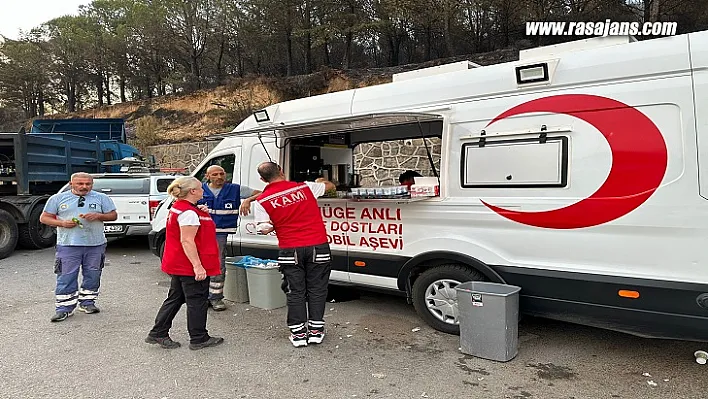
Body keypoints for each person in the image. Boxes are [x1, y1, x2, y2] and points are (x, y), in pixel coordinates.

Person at [252, 162, 336, 347]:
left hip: (290, 250)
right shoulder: (305, 187)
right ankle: (316, 331)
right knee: (317, 288)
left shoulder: (261, 201)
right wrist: (321, 180)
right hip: (318, 246)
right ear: (281, 170)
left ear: (262, 179)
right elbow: (330, 187)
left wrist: (277, 222)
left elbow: (263, 229)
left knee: (295, 291)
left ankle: (298, 334)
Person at [145, 176, 224, 350]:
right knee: (197, 300)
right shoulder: (189, 213)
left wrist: (200, 211)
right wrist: (198, 266)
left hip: (178, 263)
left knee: (176, 297)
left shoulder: (182, 208)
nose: (204, 190)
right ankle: (199, 338)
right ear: (193, 192)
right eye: (200, 188)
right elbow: (187, 241)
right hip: (188, 265)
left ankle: (158, 332)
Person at [39, 172, 118, 322]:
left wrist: (99, 216)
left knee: (93, 274)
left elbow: (113, 215)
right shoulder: (57, 199)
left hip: (95, 244)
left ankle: (87, 303)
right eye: (80, 184)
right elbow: (44, 218)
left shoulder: (101, 198)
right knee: (66, 276)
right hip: (68, 244)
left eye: (88, 184)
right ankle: (64, 308)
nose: (84, 187)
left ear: (92, 184)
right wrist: (62, 223)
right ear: (71, 184)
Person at [196, 165, 261, 311]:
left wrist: (248, 200)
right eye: (215, 175)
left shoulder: (235, 189)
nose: (219, 177)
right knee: (199, 264)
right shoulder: (199, 190)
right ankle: (201, 297)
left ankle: (216, 298)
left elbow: (263, 193)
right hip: (200, 232)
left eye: (222, 173)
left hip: (220, 233)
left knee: (218, 264)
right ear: (207, 176)